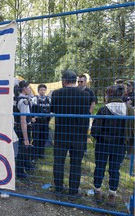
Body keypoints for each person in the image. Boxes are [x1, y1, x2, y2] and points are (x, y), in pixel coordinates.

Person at [91, 85, 134, 206]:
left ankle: (98, 191)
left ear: (109, 95)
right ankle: (112, 195)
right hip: (120, 145)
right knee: (115, 169)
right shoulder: (129, 110)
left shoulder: (104, 109)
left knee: (100, 167)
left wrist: (99, 137)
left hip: (103, 144)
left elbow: (95, 130)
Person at [51, 70, 90, 200]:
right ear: (74, 80)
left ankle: (58, 189)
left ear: (64, 81)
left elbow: (53, 110)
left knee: (59, 162)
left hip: (62, 134)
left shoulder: (56, 94)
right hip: (78, 135)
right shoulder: (85, 95)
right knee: (76, 164)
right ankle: (73, 191)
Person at [15, 80, 34, 179]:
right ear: (24, 88)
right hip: (23, 128)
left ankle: (27, 165)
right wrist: (26, 137)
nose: (30, 89)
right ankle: (20, 172)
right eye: (29, 87)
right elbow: (23, 120)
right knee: (23, 149)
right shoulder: (24, 101)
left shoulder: (18, 98)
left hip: (19, 127)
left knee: (23, 149)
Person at [31, 84, 51, 160]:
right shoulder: (34, 99)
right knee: (36, 138)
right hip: (37, 122)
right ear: (38, 91)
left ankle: (41, 153)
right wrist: (32, 118)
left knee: (44, 137)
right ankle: (34, 155)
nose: (42, 91)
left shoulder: (48, 99)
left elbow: (50, 110)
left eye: (44, 90)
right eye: (41, 90)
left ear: (46, 90)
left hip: (45, 122)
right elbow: (30, 109)